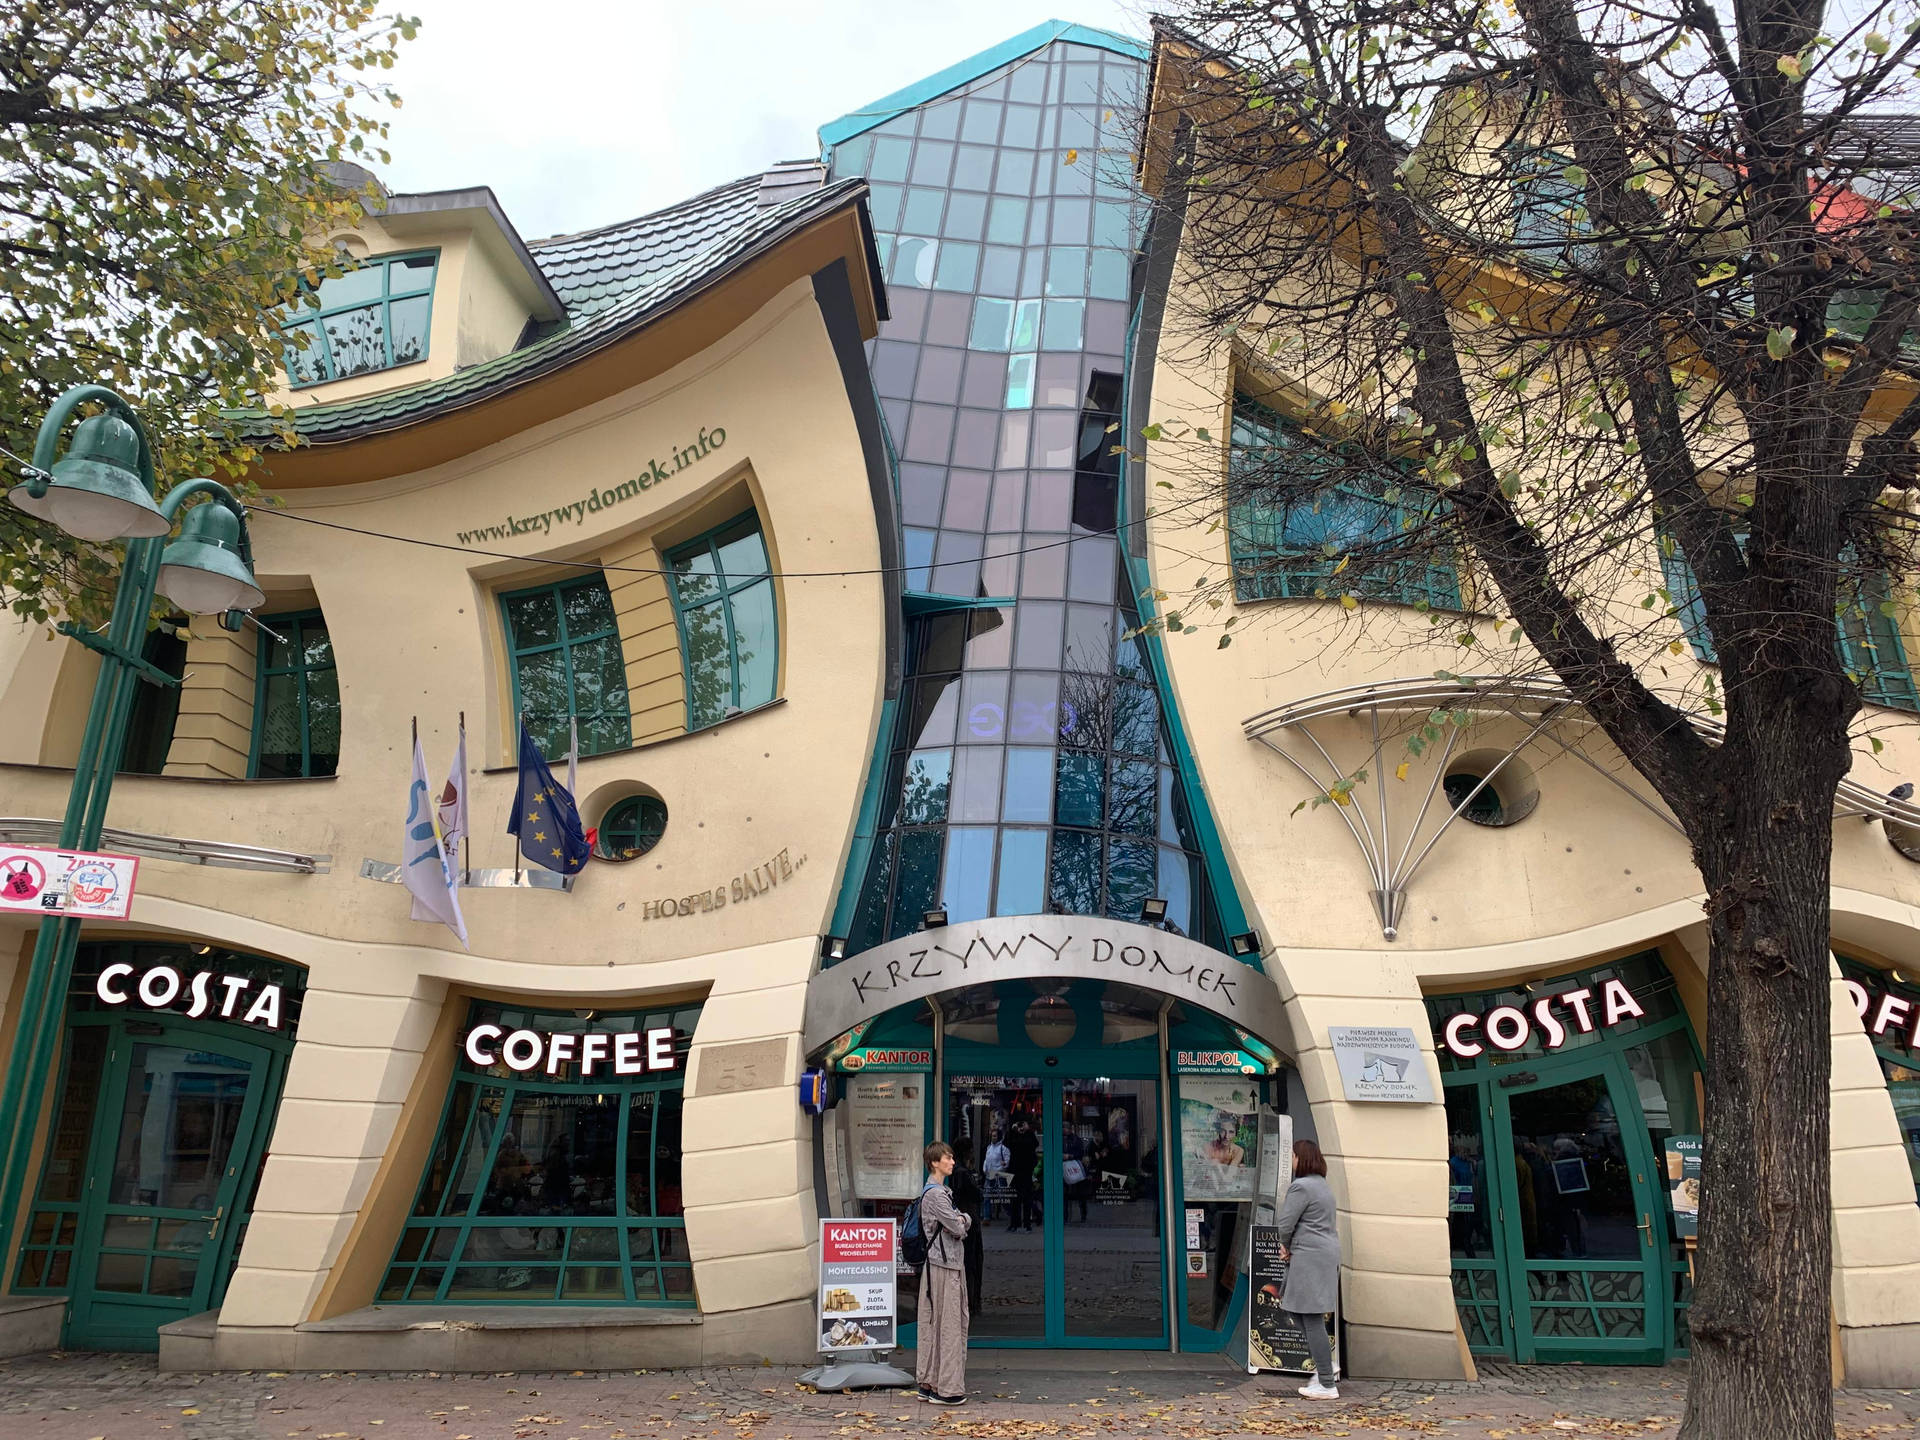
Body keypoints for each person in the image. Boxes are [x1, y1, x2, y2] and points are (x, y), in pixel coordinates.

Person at [1274, 1138, 1341, 1400]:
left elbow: (1285, 1224)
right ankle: (1326, 1362)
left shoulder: (1301, 1186)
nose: (1291, 1161)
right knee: (1294, 1307)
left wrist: (1285, 1246)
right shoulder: (1323, 1186)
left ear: (1301, 1158)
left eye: (1293, 1156)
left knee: (1310, 1316)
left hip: (1308, 1256)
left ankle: (1326, 1383)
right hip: (1322, 1254)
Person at [914, 1141, 972, 1407]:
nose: (952, 1162)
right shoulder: (937, 1195)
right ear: (935, 1162)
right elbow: (957, 1226)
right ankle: (947, 1389)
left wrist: (959, 1219)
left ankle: (929, 1383)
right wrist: (965, 1219)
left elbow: (954, 1221)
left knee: (934, 1325)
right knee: (949, 1326)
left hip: (936, 1265)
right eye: (948, 1158)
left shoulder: (937, 1193)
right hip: (945, 1267)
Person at [949, 1137, 986, 1319]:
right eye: (970, 1150)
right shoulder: (962, 1172)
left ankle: (970, 1301)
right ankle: (970, 1303)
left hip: (966, 1220)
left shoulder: (958, 1171)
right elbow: (978, 1195)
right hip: (967, 1222)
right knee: (971, 1263)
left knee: (970, 1262)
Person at [1007, 1113, 1038, 1233]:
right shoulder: (1013, 1135)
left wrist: (1027, 1131)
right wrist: (1013, 1130)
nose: (1020, 1126)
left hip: (1026, 1171)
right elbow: (1007, 1143)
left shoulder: (1029, 1136)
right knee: (1015, 1199)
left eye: (1022, 1124)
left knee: (1026, 1199)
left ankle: (1027, 1224)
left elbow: (1034, 1144)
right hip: (1015, 1171)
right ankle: (1014, 1223)